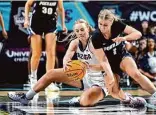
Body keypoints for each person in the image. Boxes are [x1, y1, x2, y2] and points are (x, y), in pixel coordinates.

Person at [8, 19, 146, 107]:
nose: (80, 33)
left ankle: (80, 99)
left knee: (85, 102)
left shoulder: (96, 42)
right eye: (77, 31)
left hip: (101, 81)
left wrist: (89, 66)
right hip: (84, 76)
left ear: (88, 29)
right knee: (51, 74)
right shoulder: (75, 43)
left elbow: (106, 64)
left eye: (82, 30)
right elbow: (66, 57)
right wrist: (67, 63)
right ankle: (26, 97)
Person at [90, 9, 156, 107]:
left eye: (105, 25)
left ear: (111, 22)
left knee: (135, 73)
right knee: (113, 91)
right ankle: (128, 99)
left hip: (121, 56)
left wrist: (124, 38)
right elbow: (103, 60)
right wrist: (110, 74)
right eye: (100, 24)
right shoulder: (95, 37)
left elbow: (138, 34)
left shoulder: (117, 25)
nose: (102, 27)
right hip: (109, 64)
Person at [24, 0, 67, 89]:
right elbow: (28, 4)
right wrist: (26, 20)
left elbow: (61, 8)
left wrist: (63, 25)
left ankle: (49, 82)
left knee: (51, 53)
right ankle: (33, 79)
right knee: (36, 53)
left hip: (50, 23)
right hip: (36, 23)